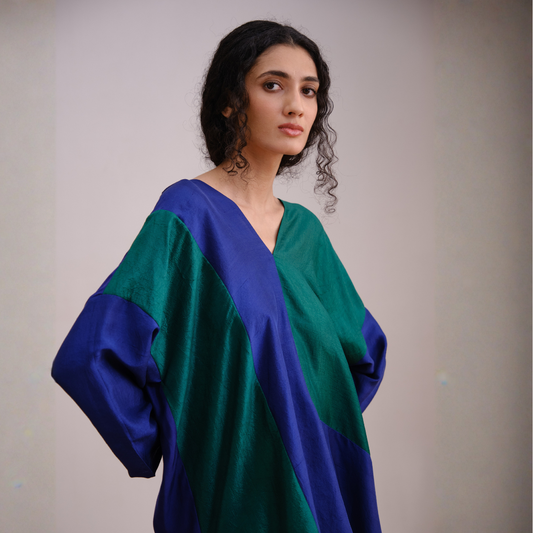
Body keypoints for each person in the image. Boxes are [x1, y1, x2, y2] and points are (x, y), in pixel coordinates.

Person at [52, 20, 387, 533]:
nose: (296, 105)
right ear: (231, 101)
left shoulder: (306, 234)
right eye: (273, 85)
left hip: (325, 496)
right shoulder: (187, 215)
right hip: (227, 500)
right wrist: (186, 439)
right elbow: (91, 353)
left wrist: (300, 427)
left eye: (309, 90)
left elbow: (364, 357)